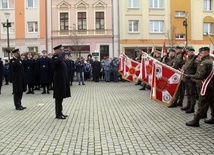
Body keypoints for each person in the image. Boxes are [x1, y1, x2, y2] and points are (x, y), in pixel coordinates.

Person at [186, 47, 214, 127]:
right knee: (212, 103)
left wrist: (190, 76)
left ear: (206, 53)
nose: (200, 55)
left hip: (206, 86)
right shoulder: (212, 61)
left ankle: (196, 120)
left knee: (202, 103)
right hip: (212, 85)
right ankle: (213, 117)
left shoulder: (204, 63)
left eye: (201, 53)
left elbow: (200, 75)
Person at [52, 44, 71, 119]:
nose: (62, 51)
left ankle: (60, 112)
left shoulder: (60, 58)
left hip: (62, 80)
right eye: (61, 50)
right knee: (58, 98)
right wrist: (63, 54)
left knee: (61, 98)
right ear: (57, 51)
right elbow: (57, 62)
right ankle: (58, 114)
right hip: (58, 81)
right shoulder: (55, 57)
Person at [180, 47, 197, 113]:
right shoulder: (188, 59)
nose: (190, 53)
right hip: (186, 78)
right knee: (188, 93)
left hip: (191, 79)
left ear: (193, 52)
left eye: (191, 52)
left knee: (192, 93)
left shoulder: (195, 59)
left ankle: (192, 107)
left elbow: (196, 69)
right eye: (189, 52)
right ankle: (188, 105)